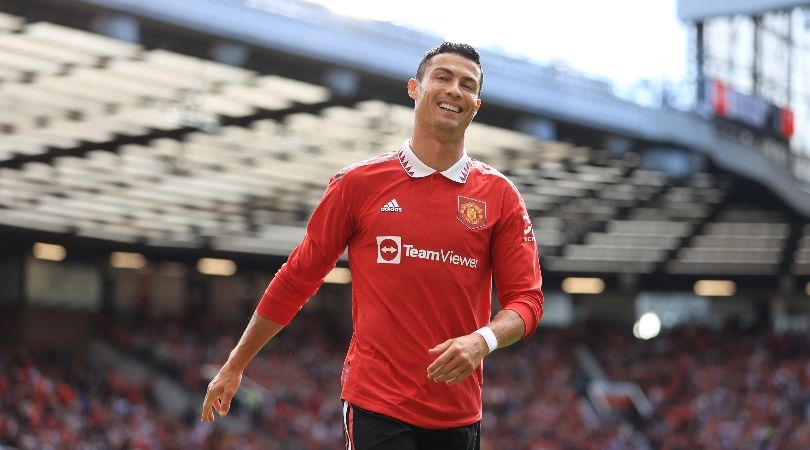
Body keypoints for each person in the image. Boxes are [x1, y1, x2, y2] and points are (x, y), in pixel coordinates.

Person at [201, 42, 544, 450]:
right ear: (414, 88)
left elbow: (527, 300)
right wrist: (236, 364)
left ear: (476, 105)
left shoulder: (500, 196)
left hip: (459, 413)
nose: (455, 89)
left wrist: (481, 340)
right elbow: (298, 277)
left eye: (467, 85)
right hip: (376, 405)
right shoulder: (358, 184)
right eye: (443, 77)